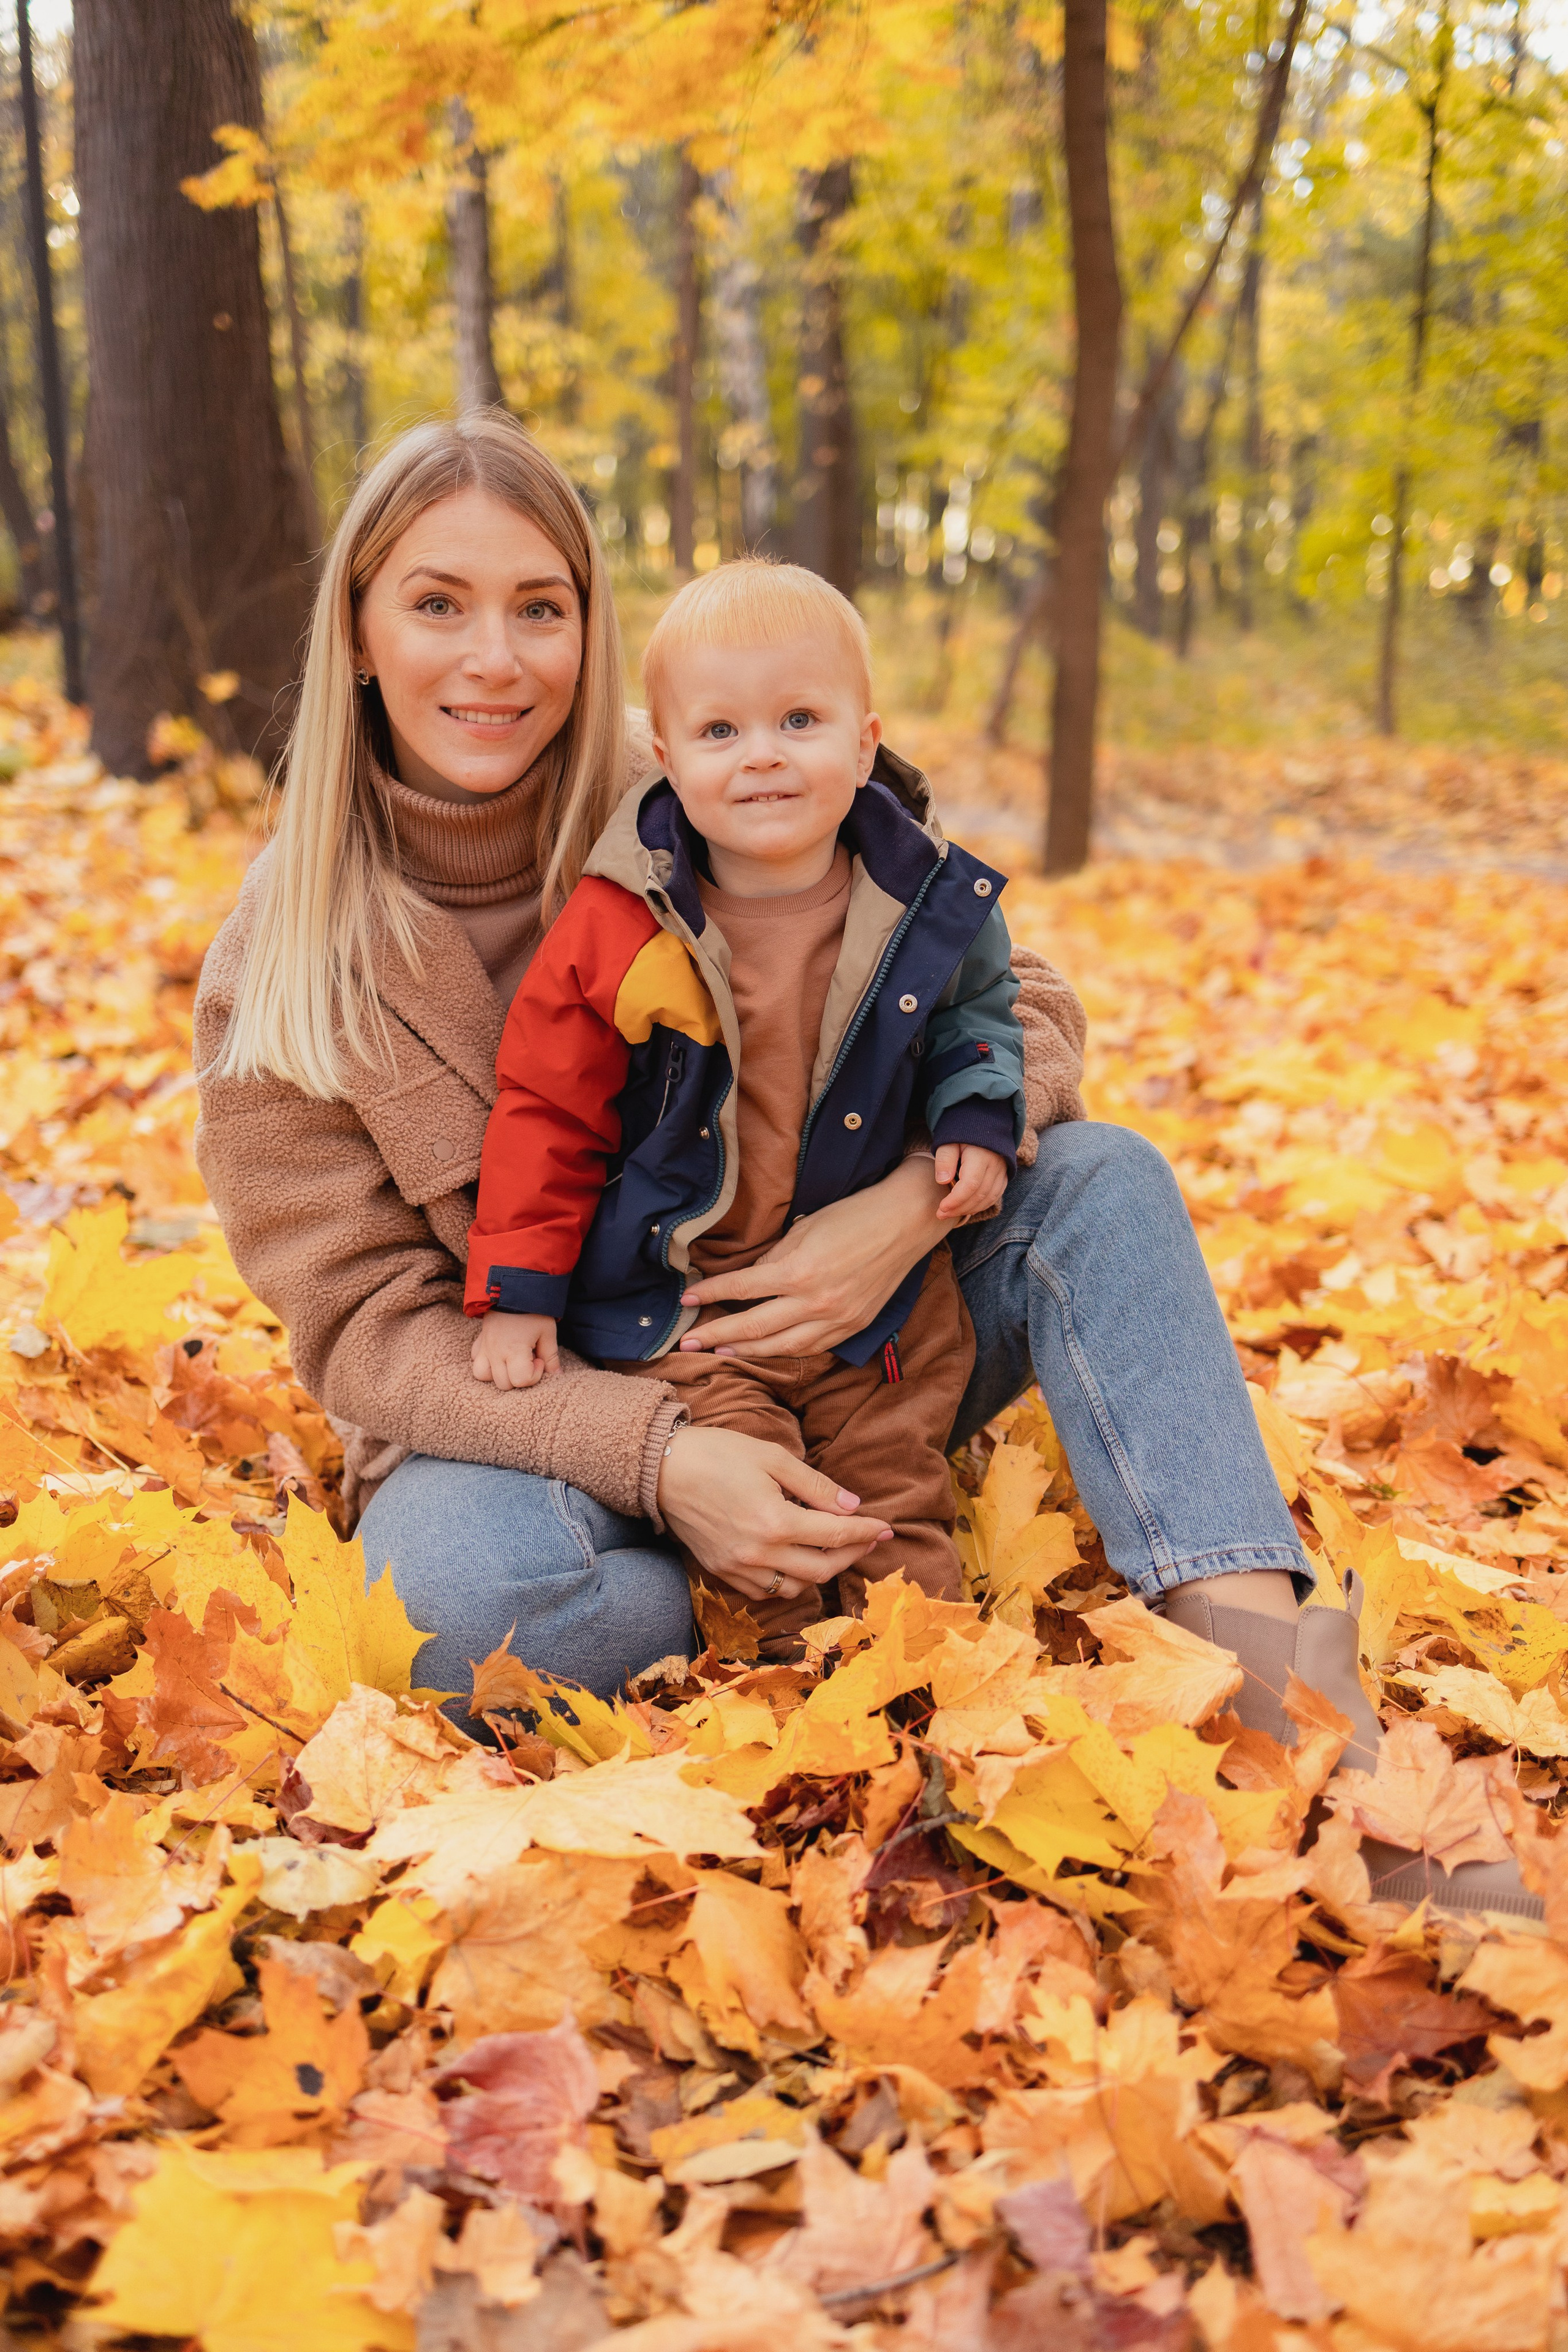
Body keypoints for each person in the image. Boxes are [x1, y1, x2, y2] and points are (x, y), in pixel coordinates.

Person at [192, 411, 1536, 1917]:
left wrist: (899, 1216)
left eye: (539, 608)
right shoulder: (285, 954)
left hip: (860, 1337)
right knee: (457, 1614)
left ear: (590, 627)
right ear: (358, 632)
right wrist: (661, 1459)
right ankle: (766, 1579)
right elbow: (367, 1330)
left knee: (1105, 1181)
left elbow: (1014, 1003)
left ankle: (1287, 1701)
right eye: (437, 604)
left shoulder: (720, 767)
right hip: (533, 1425)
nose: (492, 659)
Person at [464, 559, 1026, 1646]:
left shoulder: (923, 898)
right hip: (691, 1313)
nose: (763, 753)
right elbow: (547, 1111)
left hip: (879, 1310)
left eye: (799, 720)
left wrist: (975, 1116)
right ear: (669, 762)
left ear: (864, 744)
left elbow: (982, 1012)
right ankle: (785, 1691)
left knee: (892, 1500)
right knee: (766, 1522)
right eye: (721, 731)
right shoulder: (620, 923)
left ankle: (926, 1682)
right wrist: (520, 1290)